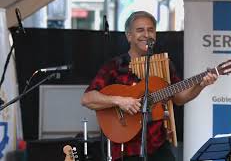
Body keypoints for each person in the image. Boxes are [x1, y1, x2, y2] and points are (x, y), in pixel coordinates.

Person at [81, 11, 218, 161]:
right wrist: (120, 101)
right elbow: (87, 99)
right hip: (125, 149)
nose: (146, 34)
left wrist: (200, 85)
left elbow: (179, 98)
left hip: (157, 145)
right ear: (129, 36)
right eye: (140, 30)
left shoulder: (165, 65)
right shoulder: (114, 66)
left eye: (151, 30)